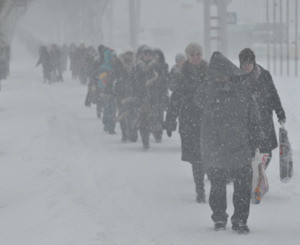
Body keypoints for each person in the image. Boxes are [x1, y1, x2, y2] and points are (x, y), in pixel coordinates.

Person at [194, 51, 262, 234]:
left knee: (242, 185)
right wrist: (212, 85)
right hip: (215, 144)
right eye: (217, 74)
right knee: (217, 185)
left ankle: (240, 219)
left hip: (240, 145)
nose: (222, 77)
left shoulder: (243, 89)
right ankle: (219, 217)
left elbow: (253, 116)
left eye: (224, 73)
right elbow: (198, 100)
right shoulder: (207, 90)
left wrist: (256, 138)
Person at [164, 43, 207, 203]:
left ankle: (211, 183)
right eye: (193, 55)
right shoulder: (181, 76)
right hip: (189, 122)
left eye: (198, 54)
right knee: (196, 159)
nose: (196, 57)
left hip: (207, 121)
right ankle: (200, 189)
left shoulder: (210, 73)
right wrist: (169, 121)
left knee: (209, 155)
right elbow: (175, 101)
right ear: (188, 57)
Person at [239, 48, 286, 168]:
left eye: (249, 63)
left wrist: (280, 112)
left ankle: (258, 175)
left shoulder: (264, 75)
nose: (246, 67)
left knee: (266, 153)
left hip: (264, 119)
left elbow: (273, 95)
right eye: (243, 64)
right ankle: (252, 179)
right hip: (247, 123)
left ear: (253, 62)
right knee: (250, 154)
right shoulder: (237, 78)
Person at [130, 45, 157, 150]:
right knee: (143, 120)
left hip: (153, 98)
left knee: (154, 118)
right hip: (140, 98)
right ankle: (145, 141)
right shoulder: (136, 67)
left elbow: (162, 81)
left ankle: (155, 134)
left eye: (150, 55)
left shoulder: (156, 67)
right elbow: (132, 82)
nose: (148, 57)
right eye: (146, 55)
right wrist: (135, 93)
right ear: (142, 56)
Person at [114, 48, 138, 143]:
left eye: (130, 55)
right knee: (123, 114)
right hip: (121, 93)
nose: (129, 57)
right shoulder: (118, 65)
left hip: (133, 93)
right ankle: (124, 134)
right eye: (127, 55)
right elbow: (115, 77)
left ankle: (133, 133)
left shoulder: (136, 65)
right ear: (124, 56)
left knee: (134, 114)